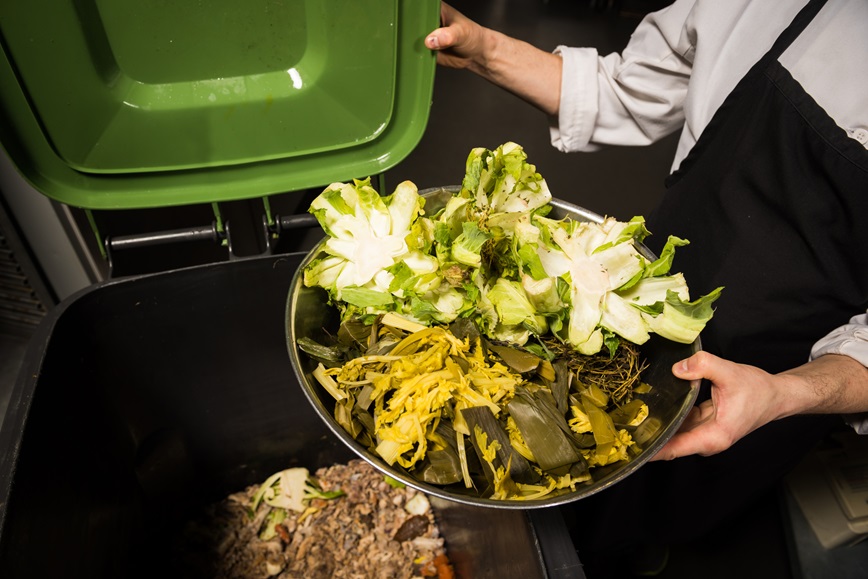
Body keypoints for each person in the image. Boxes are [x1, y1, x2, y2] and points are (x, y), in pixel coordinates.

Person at [425, 0, 868, 571]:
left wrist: (788, 395)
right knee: (558, 462)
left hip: (783, 367)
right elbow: (624, 92)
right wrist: (486, 50)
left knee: (665, 512)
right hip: (635, 299)